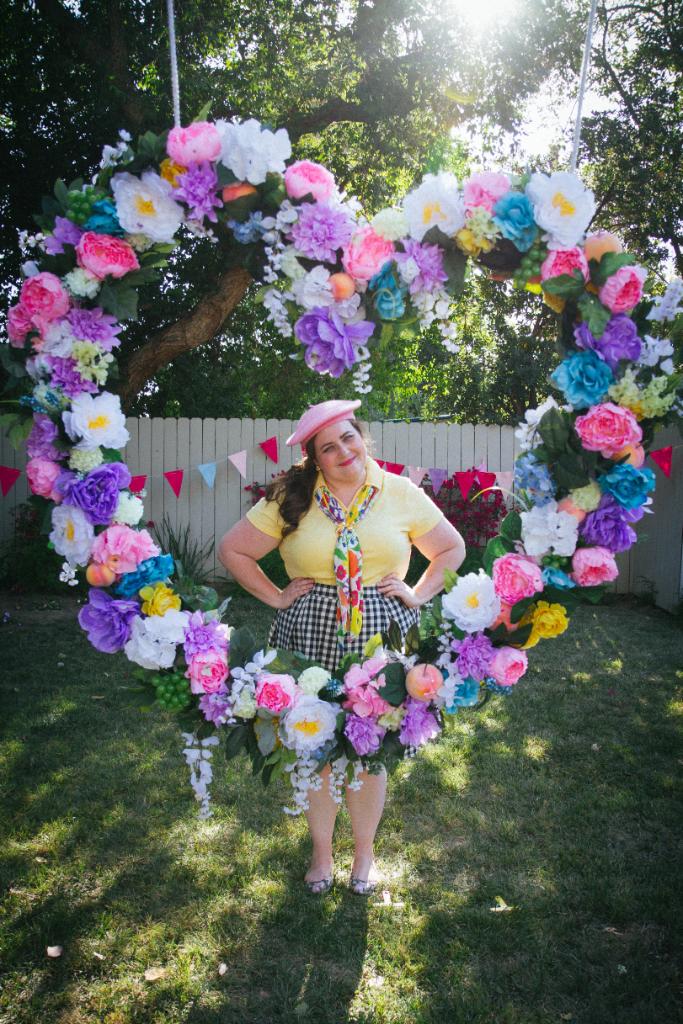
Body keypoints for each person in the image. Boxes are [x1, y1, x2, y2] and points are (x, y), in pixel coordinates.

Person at [218, 400, 466, 894]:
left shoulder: (399, 492)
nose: (343, 451)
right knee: (314, 745)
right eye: (328, 447)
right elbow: (234, 550)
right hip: (308, 633)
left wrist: (418, 594)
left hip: (381, 635)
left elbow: (451, 548)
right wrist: (276, 596)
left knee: (370, 746)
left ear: (362, 436)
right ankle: (322, 853)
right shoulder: (292, 496)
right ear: (314, 457)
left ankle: (365, 854)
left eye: (348, 437)